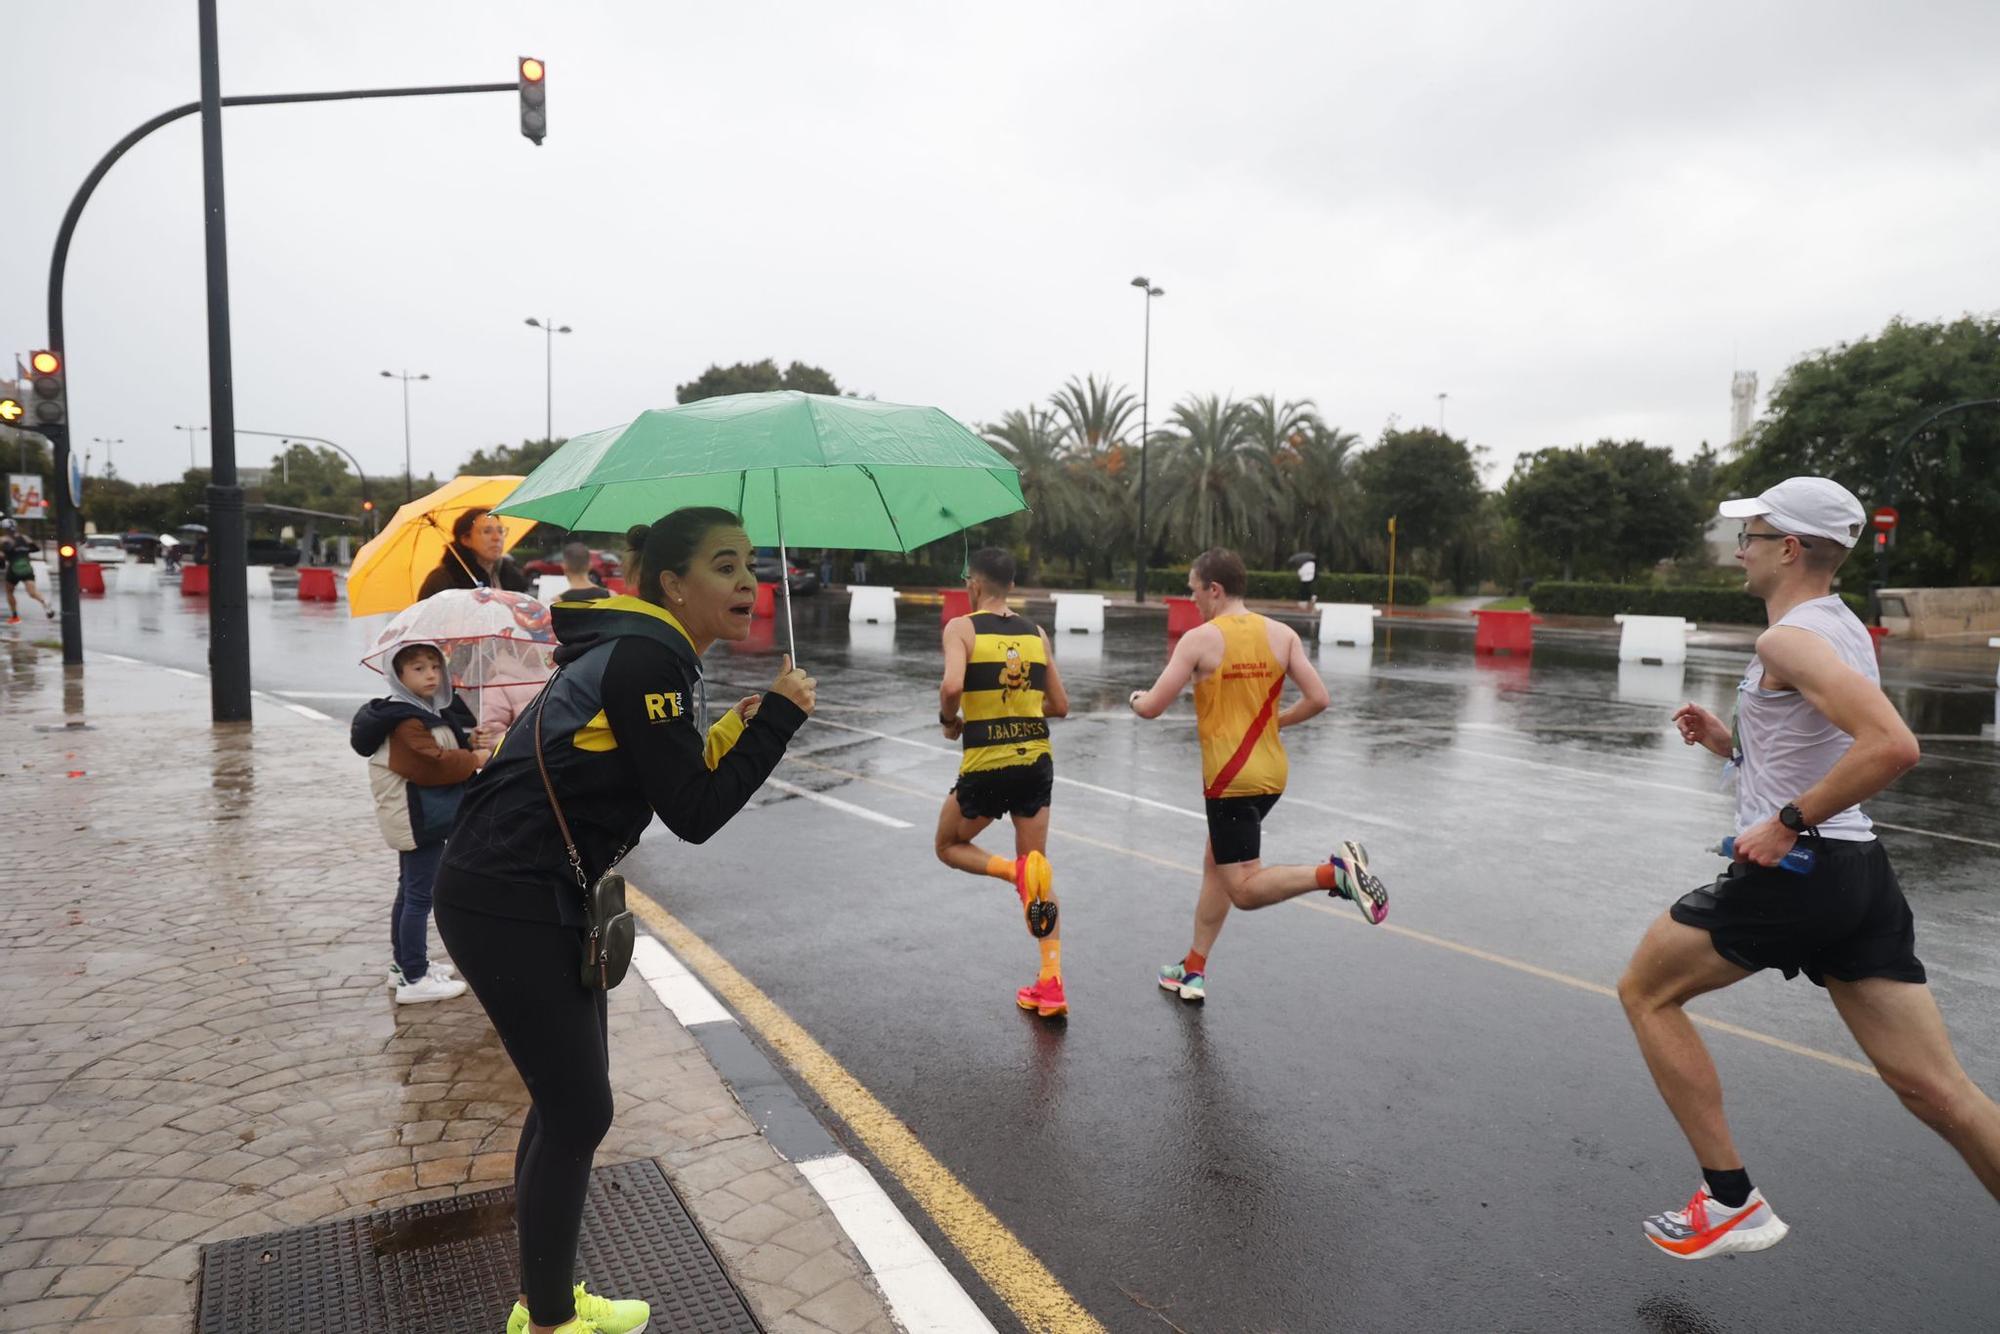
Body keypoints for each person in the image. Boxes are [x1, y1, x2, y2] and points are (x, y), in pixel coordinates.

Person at [435, 507, 815, 1334]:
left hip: (531, 890)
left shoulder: (648, 654)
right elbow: (694, 812)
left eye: (751, 564)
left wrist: (730, 730)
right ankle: (547, 1322)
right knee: (579, 1111)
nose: (750, 582)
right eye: (726, 565)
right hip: (510, 896)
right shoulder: (647, 658)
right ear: (674, 584)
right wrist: (780, 718)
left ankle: (546, 1304)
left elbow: (646, 769)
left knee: (566, 1103)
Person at [1618, 476, 2000, 1260]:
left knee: (1645, 992)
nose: (1739, 552)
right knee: (1937, 1091)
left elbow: (1893, 745)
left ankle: (1731, 1202)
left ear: (1789, 548)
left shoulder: (1785, 639)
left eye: (1750, 537)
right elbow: (1821, 745)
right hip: (1859, 876)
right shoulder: (1839, 628)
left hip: (1803, 873)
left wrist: (1788, 823)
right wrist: (1732, 744)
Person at [1129, 547, 1388, 1004]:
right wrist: (1274, 723)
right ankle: (1192, 970)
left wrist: (1134, 699)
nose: (1192, 601)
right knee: (1217, 865)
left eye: (1194, 591)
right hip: (1272, 774)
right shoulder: (1282, 634)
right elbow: (1319, 698)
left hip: (1230, 781)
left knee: (1244, 888)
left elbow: (1151, 708)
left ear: (1215, 589)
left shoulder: (1200, 640)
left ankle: (1335, 874)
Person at [935, 547, 1072, 1017]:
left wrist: (948, 719)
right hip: (1035, 760)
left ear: (973, 584)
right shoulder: (1036, 634)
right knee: (1040, 867)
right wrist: (1020, 706)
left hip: (989, 762)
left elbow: (952, 687)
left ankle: (1013, 873)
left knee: (949, 845)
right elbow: (1060, 704)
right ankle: (1051, 983)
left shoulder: (962, 627)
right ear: (1010, 585)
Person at [351, 642, 491, 1004]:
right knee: (418, 895)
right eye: (418, 668)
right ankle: (414, 977)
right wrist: (475, 757)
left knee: (409, 890)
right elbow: (432, 764)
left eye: (434, 666)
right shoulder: (406, 720)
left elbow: (442, 746)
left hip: (421, 815)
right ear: (398, 677)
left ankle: (404, 965)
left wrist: (468, 740)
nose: (431, 674)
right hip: (417, 817)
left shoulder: (422, 711)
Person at [419, 507, 533, 600]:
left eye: (500, 531)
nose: (497, 538)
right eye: (487, 531)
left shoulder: (510, 574)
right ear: (466, 540)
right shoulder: (443, 580)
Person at [2, 520, 54, 623]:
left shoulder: (4, 539)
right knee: (32, 592)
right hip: (27, 568)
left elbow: (4, 554)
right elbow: (35, 548)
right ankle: (44, 602)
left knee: (9, 591)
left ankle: (15, 616)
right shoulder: (25, 538)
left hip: (14, 569)